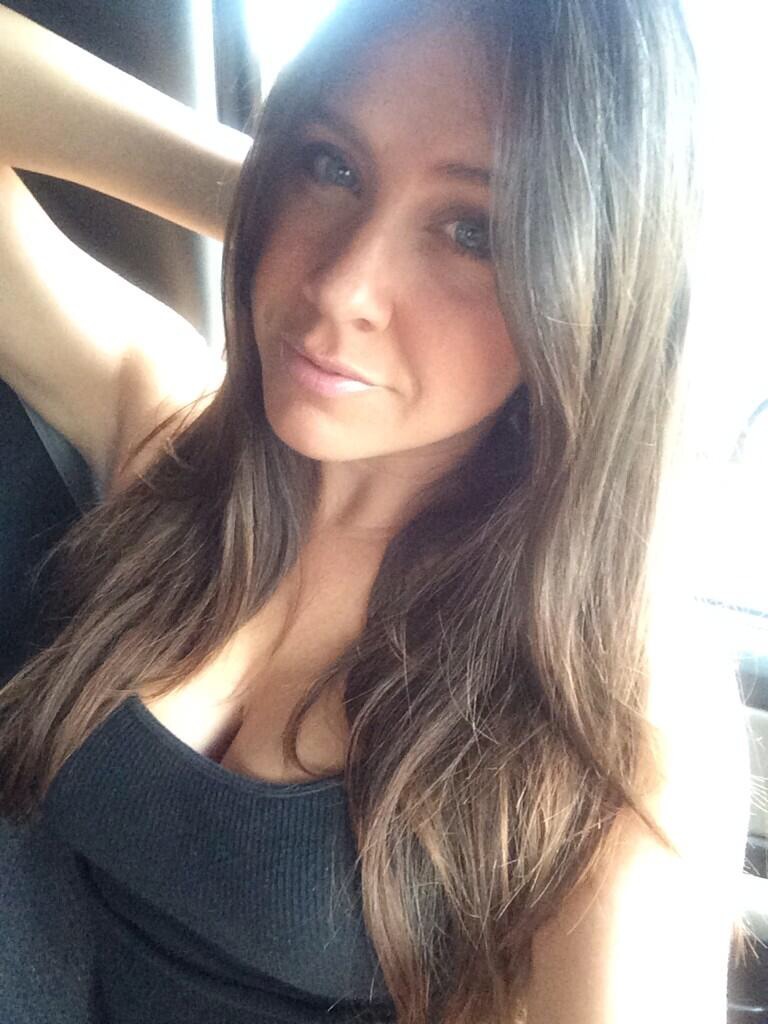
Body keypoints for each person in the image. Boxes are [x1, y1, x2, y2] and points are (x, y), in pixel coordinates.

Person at [0, 1, 752, 1022]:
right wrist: (260, 191)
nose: (341, 285)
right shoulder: (162, 431)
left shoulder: (619, 703)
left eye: (475, 231)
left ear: (587, 288)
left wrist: (346, 181)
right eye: (334, 166)